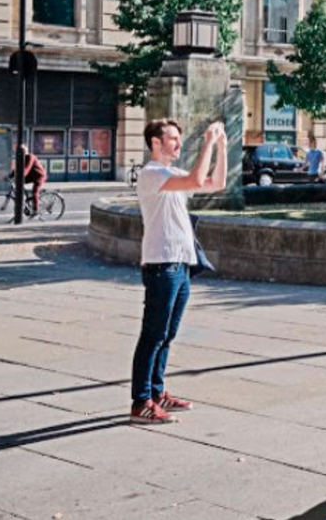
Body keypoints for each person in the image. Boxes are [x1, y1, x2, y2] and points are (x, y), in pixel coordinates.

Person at [130, 119, 227, 425]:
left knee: (167, 334)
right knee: (153, 335)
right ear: (155, 142)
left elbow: (216, 183)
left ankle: (157, 393)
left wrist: (222, 146)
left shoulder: (171, 175)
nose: (178, 144)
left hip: (180, 265)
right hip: (162, 265)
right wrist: (208, 142)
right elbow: (197, 179)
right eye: (172, 138)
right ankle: (141, 402)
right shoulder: (151, 173)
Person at [14, 144, 47, 214]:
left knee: (35, 191)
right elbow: (17, 169)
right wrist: (9, 176)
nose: (20, 152)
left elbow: (27, 169)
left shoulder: (31, 157)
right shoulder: (21, 158)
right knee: (19, 185)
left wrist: (20, 176)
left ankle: (35, 210)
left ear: (25, 150)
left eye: (22, 151)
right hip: (31, 176)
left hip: (39, 176)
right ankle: (27, 202)